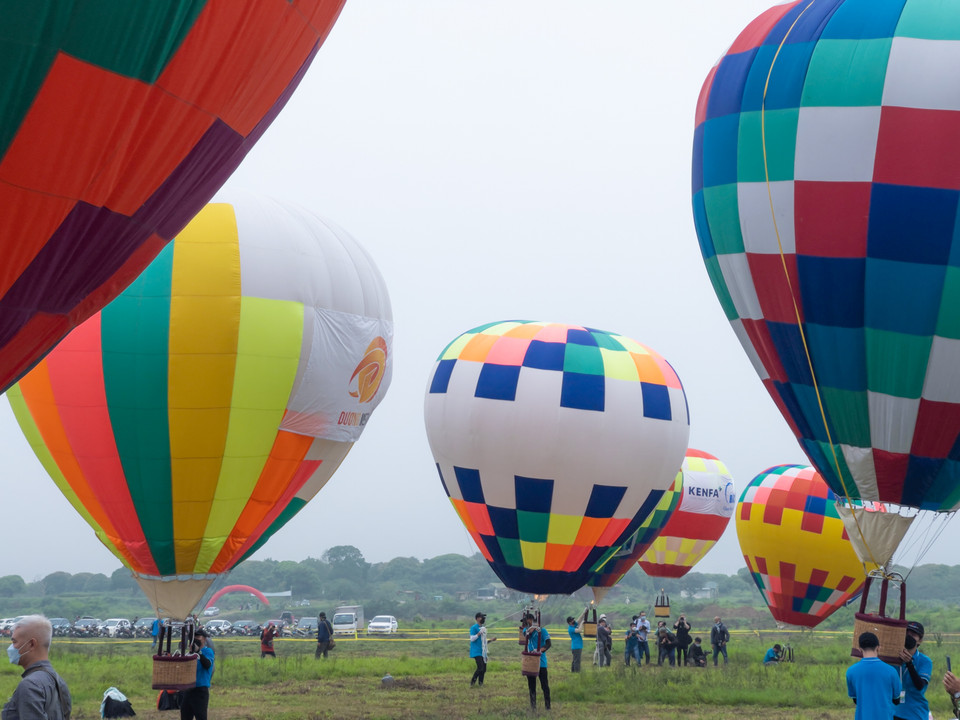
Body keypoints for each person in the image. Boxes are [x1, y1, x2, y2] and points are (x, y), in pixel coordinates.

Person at [2, 615, 71, 720]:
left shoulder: (30, 686)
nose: (11, 648)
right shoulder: (57, 680)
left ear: (31, 644)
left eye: (14, 642)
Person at [847, 631, 901, 720]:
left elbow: (855, 699)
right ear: (878, 647)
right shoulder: (891, 671)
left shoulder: (851, 671)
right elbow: (897, 700)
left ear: (860, 649)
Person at [895, 622, 931, 720]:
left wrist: (909, 664)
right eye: (907, 634)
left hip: (915, 713)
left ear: (920, 640)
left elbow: (920, 686)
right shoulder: (893, 658)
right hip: (894, 711)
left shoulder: (925, 661)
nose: (909, 637)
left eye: (913, 635)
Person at [181, 628, 214, 720]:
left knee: (201, 716)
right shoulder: (189, 654)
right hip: (188, 689)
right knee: (185, 715)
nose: (196, 639)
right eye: (194, 637)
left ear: (204, 639)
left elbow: (207, 665)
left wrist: (198, 652)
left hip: (200, 690)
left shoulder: (208, 651)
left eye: (198, 637)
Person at [522, 613, 550, 711]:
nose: (525, 624)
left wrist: (540, 650)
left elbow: (548, 644)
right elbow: (526, 634)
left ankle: (548, 707)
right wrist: (532, 628)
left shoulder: (543, 630)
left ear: (530, 619)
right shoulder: (526, 630)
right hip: (530, 662)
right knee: (531, 686)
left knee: (544, 685)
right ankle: (533, 707)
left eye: (526, 621)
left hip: (541, 662)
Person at [469, 612, 496, 686]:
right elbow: (472, 639)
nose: (483, 619)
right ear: (477, 618)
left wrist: (491, 640)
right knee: (480, 668)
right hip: (476, 651)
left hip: (483, 652)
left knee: (484, 669)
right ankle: (472, 682)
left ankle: (481, 683)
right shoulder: (474, 628)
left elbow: (484, 642)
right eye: (481, 617)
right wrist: (479, 633)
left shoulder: (483, 628)